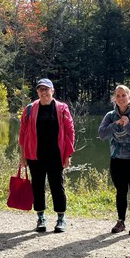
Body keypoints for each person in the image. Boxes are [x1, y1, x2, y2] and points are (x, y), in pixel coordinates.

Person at [19, 78, 75, 233]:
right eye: (41, 89)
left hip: (56, 155)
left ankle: (61, 218)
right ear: (37, 91)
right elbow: (22, 133)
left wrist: (68, 154)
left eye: (46, 89)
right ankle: (41, 217)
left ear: (52, 91)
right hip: (34, 155)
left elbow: (70, 132)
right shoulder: (30, 109)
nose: (44, 92)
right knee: (37, 186)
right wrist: (22, 156)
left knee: (57, 185)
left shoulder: (62, 108)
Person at [98, 85, 130, 235]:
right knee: (120, 192)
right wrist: (115, 125)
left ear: (129, 97)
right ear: (114, 98)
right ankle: (121, 222)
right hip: (117, 159)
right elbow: (101, 134)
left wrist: (127, 125)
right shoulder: (110, 116)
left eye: (123, 95)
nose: (120, 98)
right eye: (118, 96)